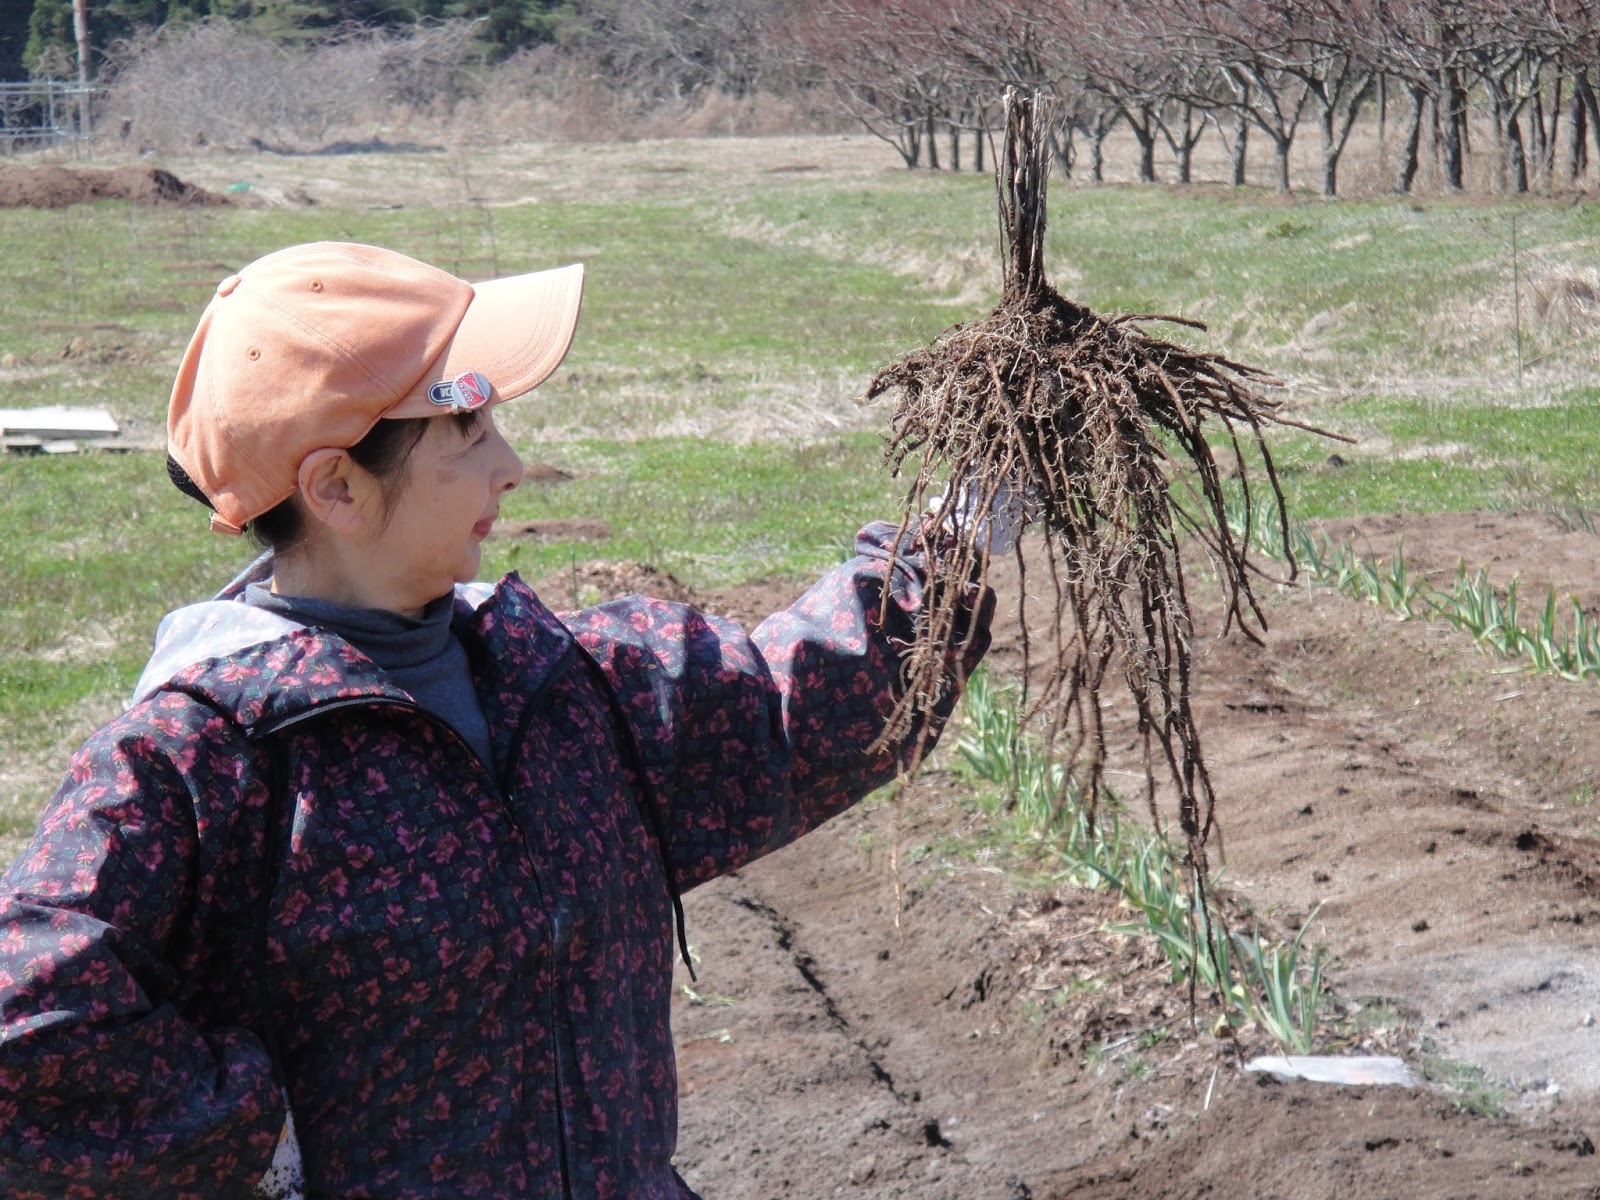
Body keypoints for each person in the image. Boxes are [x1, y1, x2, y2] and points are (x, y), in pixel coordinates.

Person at [0, 241, 996, 1199]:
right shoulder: (197, 765)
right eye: (469, 430)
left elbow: (794, 708)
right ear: (336, 487)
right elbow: (26, 1040)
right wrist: (262, 1140)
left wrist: (954, 537)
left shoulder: (571, 683)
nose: (510, 464)